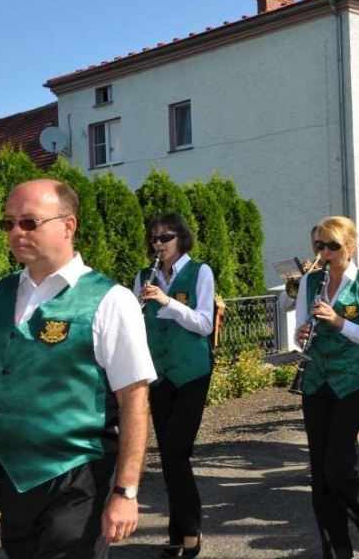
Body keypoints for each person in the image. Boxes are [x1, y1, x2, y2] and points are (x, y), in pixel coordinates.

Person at [0, 179, 156, 559]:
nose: (16, 232)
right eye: (8, 223)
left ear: (68, 225)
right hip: (13, 475)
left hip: (77, 476)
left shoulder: (110, 300)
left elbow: (134, 400)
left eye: (29, 222)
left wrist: (126, 491)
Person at [295, 216, 359, 559]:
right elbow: (299, 327)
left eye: (333, 245)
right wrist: (301, 334)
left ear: (349, 247)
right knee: (320, 474)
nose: (326, 252)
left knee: (339, 467)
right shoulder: (309, 281)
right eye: (321, 245)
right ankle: (336, 552)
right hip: (316, 379)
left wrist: (339, 322)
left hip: (350, 381)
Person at [135, 212, 216, 558]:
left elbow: (204, 323)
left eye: (165, 238)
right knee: (169, 455)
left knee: (175, 451)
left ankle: (191, 527)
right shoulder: (143, 276)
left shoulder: (200, 271)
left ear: (181, 238)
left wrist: (167, 302)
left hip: (192, 372)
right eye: (154, 238)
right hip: (160, 372)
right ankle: (178, 529)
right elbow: (136, 325)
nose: (159, 245)